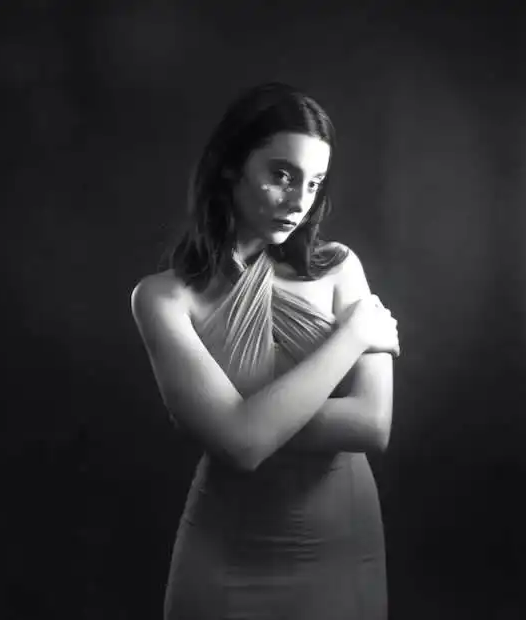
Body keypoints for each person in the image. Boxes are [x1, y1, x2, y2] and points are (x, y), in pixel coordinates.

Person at [130, 82, 400, 620]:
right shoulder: (161, 298)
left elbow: (372, 425)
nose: (301, 201)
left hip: (340, 546)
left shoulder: (341, 267)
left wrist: (244, 417)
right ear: (231, 166)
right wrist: (352, 336)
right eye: (282, 175)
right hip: (224, 550)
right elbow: (243, 446)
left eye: (314, 182)